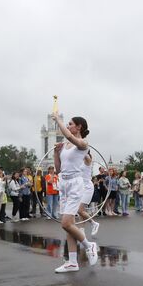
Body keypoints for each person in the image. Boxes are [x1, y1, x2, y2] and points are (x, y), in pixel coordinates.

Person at [51, 111, 98, 273]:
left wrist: (58, 120)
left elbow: (70, 137)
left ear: (79, 127)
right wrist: (56, 153)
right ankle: (72, 262)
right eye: (68, 123)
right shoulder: (64, 146)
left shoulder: (83, 144)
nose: (68, 126)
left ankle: (88, 245)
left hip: (75, 184)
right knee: (68, 226)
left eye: (70, 124)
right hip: (63, 183)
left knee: (66, 223)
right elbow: (58, 169)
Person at [78, 151, 100, 235]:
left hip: (87, 188)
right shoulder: (79, 161)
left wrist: (79, 145)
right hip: (80, 187)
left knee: (80, 210)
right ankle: (82, 230)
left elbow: (83, 153)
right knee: (81, 210)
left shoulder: (88, 160)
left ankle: (94, 223)